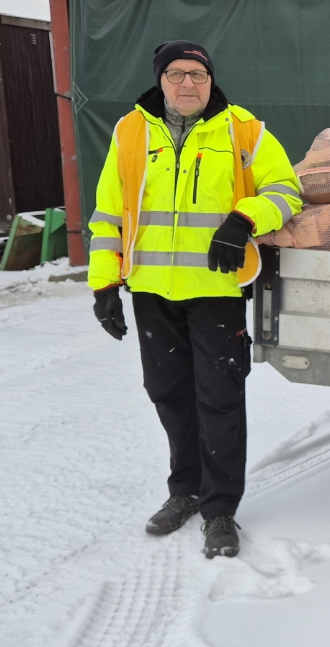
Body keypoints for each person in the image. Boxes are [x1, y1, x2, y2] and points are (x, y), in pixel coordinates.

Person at [87, 40, 302, 558]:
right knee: (169, 395)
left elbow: (286, 190)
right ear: (160, 80)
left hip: (216, 292)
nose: (188, 83)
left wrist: (244, 219)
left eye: (198, 74)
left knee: (219, 400)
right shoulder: (130, 131)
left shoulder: (244, 131)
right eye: (177, 74)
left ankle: (220, 509)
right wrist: (104, 284)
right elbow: (109, 213)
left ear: (211, 80)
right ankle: (184, 491)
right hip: (152, 291)